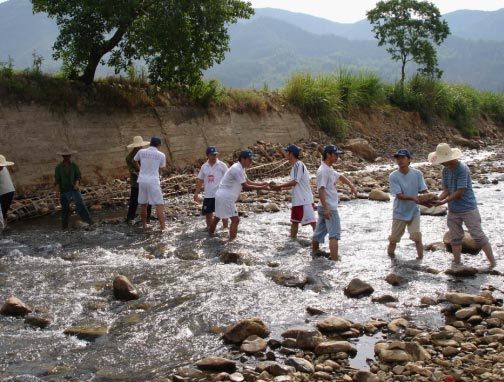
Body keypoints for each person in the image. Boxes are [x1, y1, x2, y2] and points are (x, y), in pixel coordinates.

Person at [428, 143, 496, 268]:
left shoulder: (462, 168)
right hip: (454, 209)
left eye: (443, 160)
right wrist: (437, 199)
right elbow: (446, 190)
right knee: (455, 237)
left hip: (468, 208)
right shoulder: (445, 170)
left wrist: (443, 202)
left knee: (478, 235)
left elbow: (460, 191)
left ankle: (492, 262)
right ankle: (457, 262)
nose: (442, 163)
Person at [209, 150, 269, 240]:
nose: (251, 162)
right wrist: (262, 188)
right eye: (249, 160)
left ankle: (209, 236)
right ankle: (232, 242)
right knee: (235, 220)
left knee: (217, 217)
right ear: (243, 159)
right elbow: (246, 186)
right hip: (226, 197)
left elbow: (248, 181)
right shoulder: (237, 169)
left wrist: (261, 184)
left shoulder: (240, 167)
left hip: (221, 195)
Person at [312, 144, 357, 261]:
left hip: (324, 207)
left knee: (319, 231)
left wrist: (351, 185)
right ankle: (334, 261)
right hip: (329, 208)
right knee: (334, 234)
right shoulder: (323, 171)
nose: (337, 157)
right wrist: (327, 208)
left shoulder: (329, 169)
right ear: (328, 155)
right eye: (335, 155)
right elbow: (320, 190)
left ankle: (314, 252)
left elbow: (340, 176)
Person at [387, 149, 428, 260]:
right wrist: (414, 198)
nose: (400, 160)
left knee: (417, 237)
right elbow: (399, 195)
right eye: (398, 158)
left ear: (409, 160)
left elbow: (424, 190)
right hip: (399, 212)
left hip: (414, 210)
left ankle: (420, 259)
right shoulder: (393, 176)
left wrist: (429, 199)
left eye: (402, 158)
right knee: (394, 239)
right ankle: (391, 259)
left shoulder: (417, 174)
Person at [271, 144, 316, 238]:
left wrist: (279, 186)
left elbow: (295, 182)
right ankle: (292, 242)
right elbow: (296, 184)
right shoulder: (296, 166)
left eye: (286, 152)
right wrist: (282, 188)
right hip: (298, 201)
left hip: (304, 201)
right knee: (294, 223)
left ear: (291, 154)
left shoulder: (298, 165)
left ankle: (319, 242)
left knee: (313, 224)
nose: (285, 154)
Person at [54, 147, 93, 229]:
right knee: (65, 208)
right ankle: (64, 226)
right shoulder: (59, 167)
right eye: (65, 156)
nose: (66, 157)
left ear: (70, 156)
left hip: (74, 189)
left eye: (68, 155)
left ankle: (89, 222)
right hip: (64, 190)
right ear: (62, 156)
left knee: (81, 205)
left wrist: (77, 184)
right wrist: (57, 192)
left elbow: (78, 176)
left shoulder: (74, 166)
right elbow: (57, 180)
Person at [134, 136, 166, 231]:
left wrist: (140, 170)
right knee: (159, 204)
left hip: (142, 180)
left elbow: (134, 161)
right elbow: (161, 168)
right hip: (153, 181)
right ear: (159, 145)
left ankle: (144, 225)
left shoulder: (141, 152)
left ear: (150, 143)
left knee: (143, 204)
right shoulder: (161, 155)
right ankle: (163, 228)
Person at [193, 146, 229, 229]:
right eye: (212, 155)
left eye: (215, 155)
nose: (214, 157)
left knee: (223, 213)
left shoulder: (222, 165)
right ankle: (210, 229)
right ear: (207, 155)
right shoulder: (204, 166)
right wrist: (196, 193)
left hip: (221, 193)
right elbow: (200, 180)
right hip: (209, 194)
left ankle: (225, 229)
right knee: (208, 214)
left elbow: (228, 178)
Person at [125, 136, 152, 224]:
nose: (140, 147)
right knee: (134, 200)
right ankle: (130, 217)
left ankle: (147, 218)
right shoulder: (129, 157)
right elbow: (131, 168)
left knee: (148, 200)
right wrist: (135, 172)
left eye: (140, 146)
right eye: (138, 146)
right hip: (136, 181)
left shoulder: (146, 154)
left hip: (146, 179)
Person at [0, 154, 15, 228]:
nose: (2, 167)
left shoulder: (2, 168)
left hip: (5, 192)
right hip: (8, 191)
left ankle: (3, 226)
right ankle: (4, 225)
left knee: (2, 211)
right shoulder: (3, 167)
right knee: (3, 211)